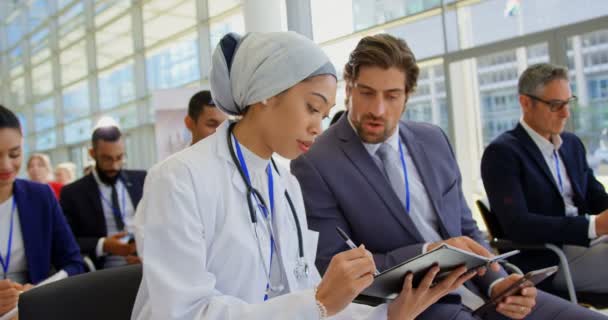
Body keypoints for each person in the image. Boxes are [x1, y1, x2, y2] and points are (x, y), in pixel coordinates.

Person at [131, 32, 475, 320]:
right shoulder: (179, 179)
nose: (317, 127)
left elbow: (307, 293)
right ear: (266, 91)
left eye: (324, 114)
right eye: (312, 107)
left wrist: (388, 314)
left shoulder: (285, 184)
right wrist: (318, 302)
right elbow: (183, 313)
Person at [291, 34, 606, 319]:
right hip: (415, 308)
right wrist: (427, 254)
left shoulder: (433, 140)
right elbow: (334, 268)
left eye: (392, 96)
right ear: (349, 86)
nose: (378, 109)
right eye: (367, 93)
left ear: (408, 94)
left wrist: (498, 282)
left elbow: (468, 230)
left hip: (483, 292)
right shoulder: (316, 162)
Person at [481, 63, 608, 293]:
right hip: (550, 258)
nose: (566, 113)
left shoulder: (571, 145)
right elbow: (518, 225)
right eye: (555, 105)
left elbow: (595, 196)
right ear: (525, 103)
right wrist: (592, 226)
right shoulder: (502, 153)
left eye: (568, 103)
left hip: (586, 244)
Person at [0, 105, 84, 318]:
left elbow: (74, 263)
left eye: (14, 153)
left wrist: (39, 292)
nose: (6, 165)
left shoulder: (40, 197)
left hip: (30, 310)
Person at [60, 125, 146, 270]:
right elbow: (65, 240)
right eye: (107, 159)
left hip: (144, 263)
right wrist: (103, 244)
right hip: (103, 271)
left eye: (119, 158)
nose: (115, 166)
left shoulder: (141, 180)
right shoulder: (73, 193)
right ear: (92, 153)